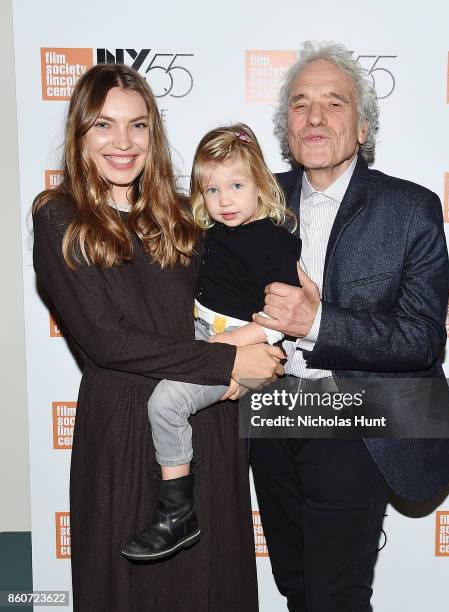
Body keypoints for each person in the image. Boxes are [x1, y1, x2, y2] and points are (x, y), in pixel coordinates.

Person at [32, 64, 283, 612]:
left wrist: (265, 334)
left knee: (212, 587)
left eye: (138, 126)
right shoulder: (61, 218)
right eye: (104, 125)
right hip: (123, 428)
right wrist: (227, 364)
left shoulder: (180, 215)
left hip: (209, 424)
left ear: (154, 134)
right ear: (80, 134)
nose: (123, 143)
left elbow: (233, 293)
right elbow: (109, 342)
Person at [250, 41, 449, 611]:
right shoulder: (254, 202)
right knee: (296, 586)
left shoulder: (410, 209)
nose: (315, 117)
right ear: (286, 127)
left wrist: (318, 321)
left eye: (334, 103)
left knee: (335, 596)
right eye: (300, 105)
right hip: (269, 413)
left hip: (354, 415)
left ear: (363, 124)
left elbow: (422, 338)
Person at [122, 122, 301, 561]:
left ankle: (176, 511)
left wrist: (228, 352)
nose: (224, 200)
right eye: (212, 190)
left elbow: (280, 318)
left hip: (248, 345)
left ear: (261, 183)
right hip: (210, 339)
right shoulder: (211, 233)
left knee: (164, 403)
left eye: (236, 185)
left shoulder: (275, 243)